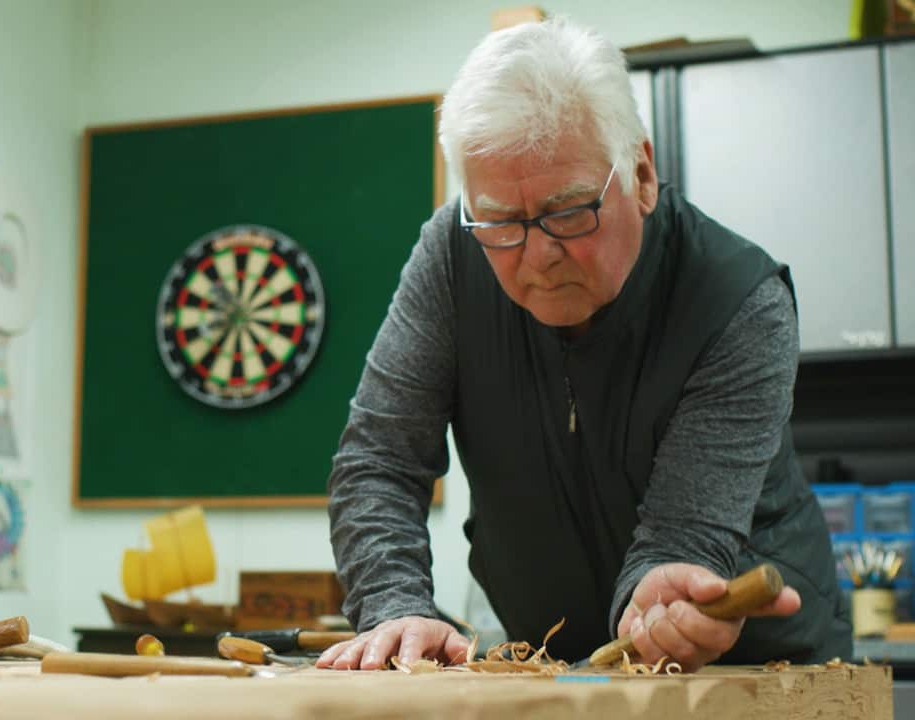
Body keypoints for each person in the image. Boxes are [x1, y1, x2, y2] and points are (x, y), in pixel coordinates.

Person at [318, 17, 850, 672]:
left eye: (569, 211)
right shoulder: (452, 258)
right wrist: (394, 604)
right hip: (558, 661)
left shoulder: (738, 301)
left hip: (765, 669)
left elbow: (680, 540)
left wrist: (662, 595)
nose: (538, 255)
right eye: (502, 221)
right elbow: (379, 460)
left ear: (641, 175)